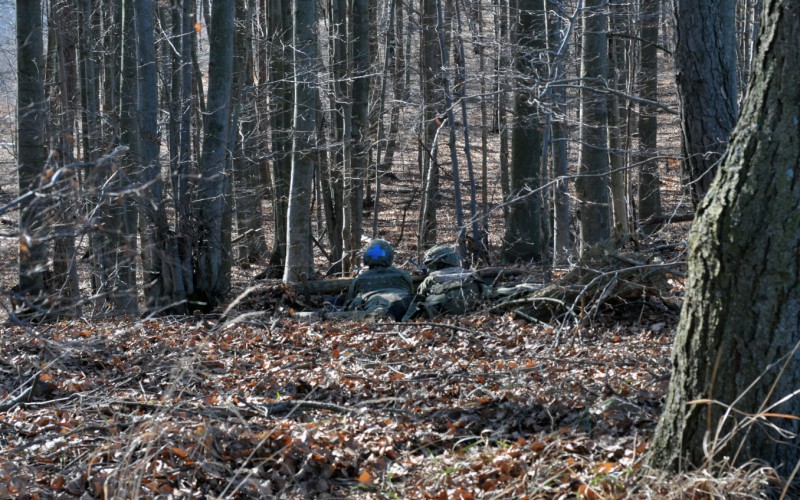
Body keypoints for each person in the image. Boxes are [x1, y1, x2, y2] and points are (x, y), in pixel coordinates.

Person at [403, 245, 489, 320]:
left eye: (432, 264)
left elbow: (417, 303)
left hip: (440, 318)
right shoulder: (472, 276)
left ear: (440, 263)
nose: (430, 268)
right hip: (474, 315)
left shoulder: (431, 279)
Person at [344, 239, 414, 320]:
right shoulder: (403, 274)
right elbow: (411, 291)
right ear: (390, 257)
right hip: (404, 303)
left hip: (376, 306)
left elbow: (348, 302)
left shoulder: (360, 278)